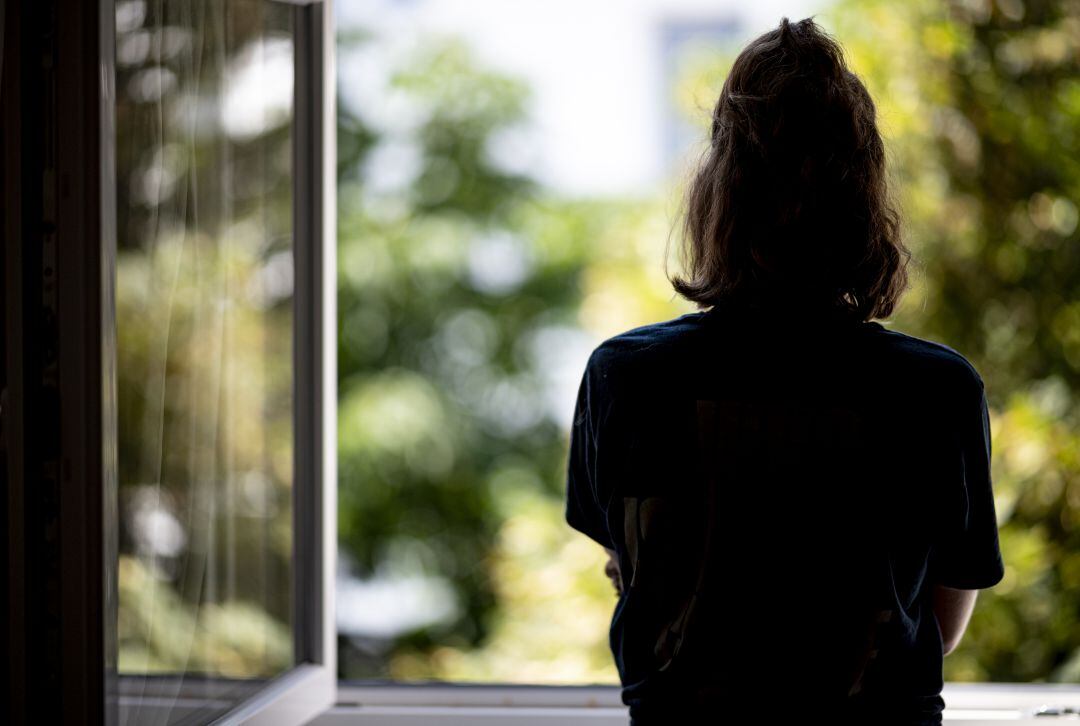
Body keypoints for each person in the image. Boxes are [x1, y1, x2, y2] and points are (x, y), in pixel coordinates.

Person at [564, 16, 1005, 726]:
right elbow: (939, 627)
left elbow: (640, 584)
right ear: (864, 200)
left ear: (717, 195)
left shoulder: (628, 378)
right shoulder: (937, 390)